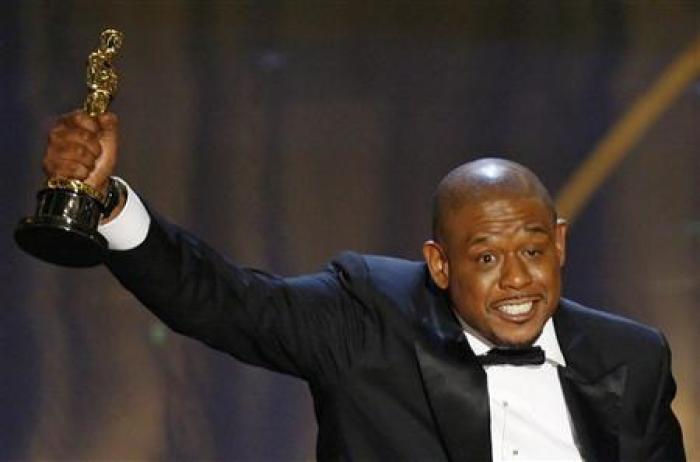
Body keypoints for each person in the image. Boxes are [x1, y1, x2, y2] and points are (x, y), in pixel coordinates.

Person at [42, 110, 685, 461]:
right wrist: (106, 206)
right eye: (486, 259)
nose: (518, 279)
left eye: (535, 251)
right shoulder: (370, 319)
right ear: (439, 264)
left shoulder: (634, 358)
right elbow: (225, 302)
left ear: (562, 245)